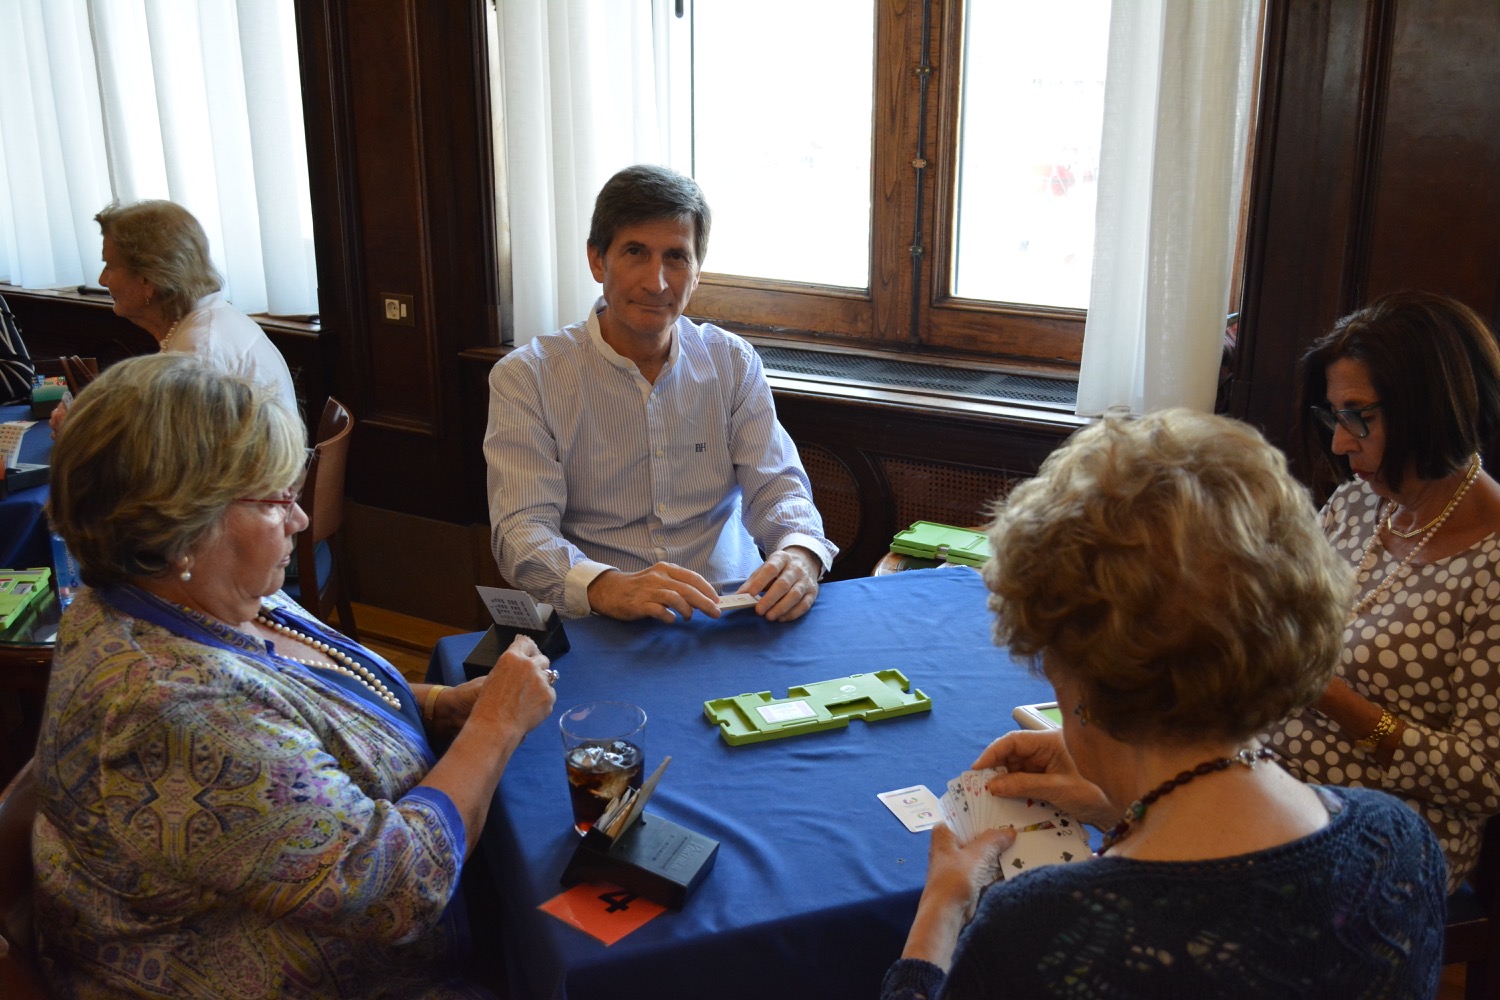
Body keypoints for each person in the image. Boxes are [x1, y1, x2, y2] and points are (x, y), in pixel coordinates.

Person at [35, 353, 556, 998]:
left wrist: (438, 703)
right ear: (181, 525)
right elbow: (393, 891)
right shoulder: (173, 706)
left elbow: (307, 689)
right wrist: (495, 725)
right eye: (278, 500)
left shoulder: (202, 588)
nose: (301, 518)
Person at [883, 409, 1445, 999]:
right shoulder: (1400, 843)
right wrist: (1119, 809)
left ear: (1084, 679)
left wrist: (938, 914)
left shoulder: (1039, 932)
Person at [483, 164, 836, 624]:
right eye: (635, 252)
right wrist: (606, 586)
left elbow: (778, 487)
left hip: (731, 610)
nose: (657, 283)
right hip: (603, 619)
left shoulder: (731, 361)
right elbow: (520, 529)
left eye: (676, 257)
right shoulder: (527, 377)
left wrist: (800, 551)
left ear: (697, 271)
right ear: (597, 260)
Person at [1262, 290, 1500, 894]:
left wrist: (1328, 696)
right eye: (1334, 416)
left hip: (1391, 836)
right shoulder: (1359, 503)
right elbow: (1284, 616)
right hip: (1273, 784)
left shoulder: (1492, 560)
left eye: (1358, 416)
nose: (1340, 444)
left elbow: (1486, 778)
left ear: (1432, 408)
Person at [48, 199, 298, 434]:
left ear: (148, 279)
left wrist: (81, 432)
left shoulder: (201, 345)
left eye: (109, 267)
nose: (102, 280)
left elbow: (180, 455)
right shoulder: (197, 325)